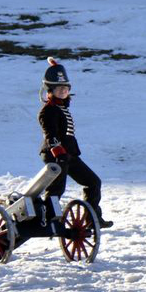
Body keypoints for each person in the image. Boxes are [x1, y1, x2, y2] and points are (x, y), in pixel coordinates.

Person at [38, 58, 113, 228]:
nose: (63, 91)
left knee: (93, 182)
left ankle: (92, 218)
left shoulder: (62, 108)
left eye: (65, 88)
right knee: (57, 188)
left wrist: (67, 154)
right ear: (50, 91)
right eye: (59, 88)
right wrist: (58, 152)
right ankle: (52, 218)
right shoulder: (48, 111)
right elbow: (50, 133)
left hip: (69, 154)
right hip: (55, 154)